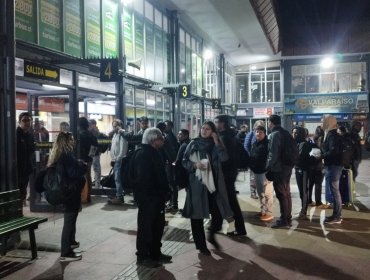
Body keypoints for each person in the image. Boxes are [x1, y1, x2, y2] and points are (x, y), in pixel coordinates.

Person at [182, 121, 233, 255]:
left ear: (213, 131)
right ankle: (201, 246)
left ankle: (211, 233)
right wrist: (194, 166)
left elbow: (225, 158)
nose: (204, 131)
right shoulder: (193, 144)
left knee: (218, 213)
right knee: (197, 216)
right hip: (198, 185)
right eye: (203, 128)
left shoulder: (216, 145)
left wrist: (216, 141)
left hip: (214, 184)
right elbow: (184, 161)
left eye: (208, 129)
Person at [133, 128, 172, 268]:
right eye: (161, 137)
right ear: (153, 139)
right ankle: (143, 256)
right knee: (146, 228)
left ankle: (155, 253)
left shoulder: (154, 152)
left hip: (156, 198)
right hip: (148, 198)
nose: (163, 140)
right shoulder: (143, 154)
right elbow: (144, 179)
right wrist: (158, 193)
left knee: (157, 226)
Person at [47, 132, 87, 262]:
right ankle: (66, 252)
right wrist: (83, 165)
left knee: (71, 219)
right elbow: (74, 173)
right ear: (67, 142)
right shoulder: (66, 156)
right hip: (70, 193)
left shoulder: (59, 155)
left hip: (66, 192)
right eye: (72, 140)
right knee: (69, 221)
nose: (74, 142)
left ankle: (70, 245)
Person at [214, 114, 246, 236]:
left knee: (230, 201)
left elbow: (225, 157)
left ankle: (240, 228)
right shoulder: (230, 135)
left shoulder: (224, 138)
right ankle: (217, 225)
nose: (215, 124)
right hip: (230, 172)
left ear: (222, 123)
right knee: (225, 199)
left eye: (216, 122)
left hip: (226, 173)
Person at [266, 114, 293, 229]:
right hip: (288, 167)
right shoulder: (286, 133)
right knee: (287, 193)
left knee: (281, 194)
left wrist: (268, 167)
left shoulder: (274, 135)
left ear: (271, 123)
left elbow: (273, 154)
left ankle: (283, 219)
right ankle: (288, 216)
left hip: (279, 168)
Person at [321, 115, 344, 224]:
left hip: (333, 166)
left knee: (335, 191)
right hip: (335, 165)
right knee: (335, 190)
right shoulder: (332, 134)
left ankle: (337, 216)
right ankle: (336, 215)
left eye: (323, 121)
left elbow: (332, 151)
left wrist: (321, 156)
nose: (321, 123)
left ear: (328, 122)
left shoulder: (332, 135)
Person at [249, 125, 274, 222]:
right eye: (256, 132)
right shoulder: (255, 143)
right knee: (260, 193)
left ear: (264, 133)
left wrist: (267, 169)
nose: (258, 133)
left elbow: (270, 158)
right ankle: (263, 210)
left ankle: (268, 212)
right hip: (256, 171)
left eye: (260, 132)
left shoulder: (267, 144)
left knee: (266, 193)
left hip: (264, 172)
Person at [77, 117, 98, 203]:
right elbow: (95, 146)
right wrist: (90, 156)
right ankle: (88, 195)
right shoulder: (91, 134)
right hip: (88, 159)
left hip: (80, 158)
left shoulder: (79, 134)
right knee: (88, 176)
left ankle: (83, 196)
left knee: (81, 177)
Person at [292, 126, 311, 220]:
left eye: (296, 133)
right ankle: (302, 210)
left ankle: (304, 212)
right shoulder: (297, 143)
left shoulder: (303, 144)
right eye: (293, 132)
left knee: (304, 191)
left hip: (304, 170)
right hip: (298, 169)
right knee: (301, 191)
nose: (294, 134)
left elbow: (298, 157)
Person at [16, 112, 35, 205]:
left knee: (23, 189)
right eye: (24, 120)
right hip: (17, 169)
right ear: (19, 122)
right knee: (19, 190)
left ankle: (21, 208)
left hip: (26, 169)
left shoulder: (30, 136)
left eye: (29, 120)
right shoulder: (16, 135)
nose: (27, 123)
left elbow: (31, 151)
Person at [244, 120, 265, 199]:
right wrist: (250, 156)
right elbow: (246, 146)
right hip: (253, 160)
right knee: (253, 178)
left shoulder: (264, 134)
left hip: (262, 162)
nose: (260, 127)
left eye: (262, 126)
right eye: (259, 125)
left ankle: (261, 192)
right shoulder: (251, 134)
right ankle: (253, 192)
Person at [109, 119, 128, 204]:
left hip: (119, 160)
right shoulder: (115, 135)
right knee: (116, 178)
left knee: (117, 178)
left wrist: (118, 158)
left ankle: (119, 196)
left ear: (120, 126)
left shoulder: (122, 134)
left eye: (116, 126)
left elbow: (123, 148)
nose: (114, 128)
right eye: (113, 126)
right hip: (115, 160)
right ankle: (119, 195)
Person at [308, 126, 325, 208]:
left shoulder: (311, 140)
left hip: (311, 165)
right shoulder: (323, 141)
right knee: (318, 184)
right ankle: (318, 202)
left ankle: (309, 200)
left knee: (310, 184)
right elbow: (324, 153)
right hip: (319, 166)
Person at [89, 119, 102, 189]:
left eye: (91, 124)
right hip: (91, 152)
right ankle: (94, 182)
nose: (90, 126)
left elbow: (96, 143)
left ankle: (97, 184)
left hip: (95, 152)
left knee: (96, 167)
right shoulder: (92, 131)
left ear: (94, 124)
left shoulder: (96, 132)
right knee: (92, 167)